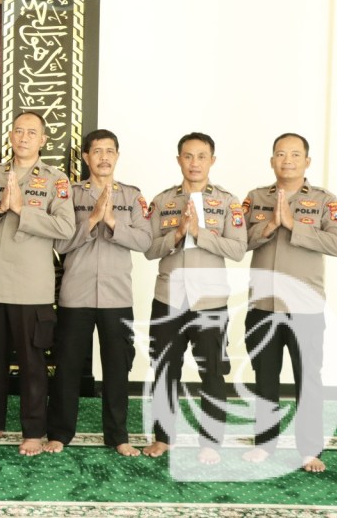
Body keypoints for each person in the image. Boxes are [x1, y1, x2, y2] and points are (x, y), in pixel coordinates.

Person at [0, 111, 75, 456]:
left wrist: (21, 211)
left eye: (32, 133)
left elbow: (65, 229)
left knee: (32, 363)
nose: (24, 137)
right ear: (10, 137)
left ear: (43, 140)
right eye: (18, 131)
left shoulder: (56, 180)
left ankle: (32, 431)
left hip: (31, 286)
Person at [242, 133, 337, 473]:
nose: (287, 160)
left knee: (308, 379)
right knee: (265, 378)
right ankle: (265, 443)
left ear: (307, 161)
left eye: (295, 154)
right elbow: (240, 241)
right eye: (280, 154)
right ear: (271, 160)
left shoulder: (323, 200)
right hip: (263, 306)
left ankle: (309, 450)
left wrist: (293, 226)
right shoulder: (256, 198)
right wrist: (272, 224)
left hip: (305, 307)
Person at [43, 129, 152, 457]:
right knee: (67, 367)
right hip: (75, 295)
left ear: (117, 156)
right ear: (86, 157)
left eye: (110, 151)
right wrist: (91, 221)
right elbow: (59, 243)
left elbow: (145, 242)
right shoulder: (71, 195)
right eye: (97, 151)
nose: (104, 157)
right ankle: (60, 433)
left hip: (117, 298)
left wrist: (114, 224)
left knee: (118, 368)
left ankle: (118, 436)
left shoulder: (132, 197)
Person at [142, 132, 246, 464]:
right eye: (188, 156)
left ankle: (211, 441)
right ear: (178, 161)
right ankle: (163, 438)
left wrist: (200, 234)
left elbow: (238, 249)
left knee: (212, 373)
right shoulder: (162, 201)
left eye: (202, 156)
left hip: (210, 302)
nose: (195, 163)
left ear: (212, 161)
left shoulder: (229, 202)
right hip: (168, 298)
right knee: (164, 371)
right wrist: (176, 234)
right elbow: (148, 249)